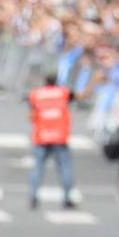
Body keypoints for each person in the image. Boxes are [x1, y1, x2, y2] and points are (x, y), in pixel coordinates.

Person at [28, 72, 79, 209]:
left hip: (42, 136)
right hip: (59, 137)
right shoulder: (63, 92)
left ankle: (33, 196)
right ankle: (67, 197)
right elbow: (78, 97)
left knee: (38, 168)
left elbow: (31, 115)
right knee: (65, 168)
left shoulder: (36, 94)